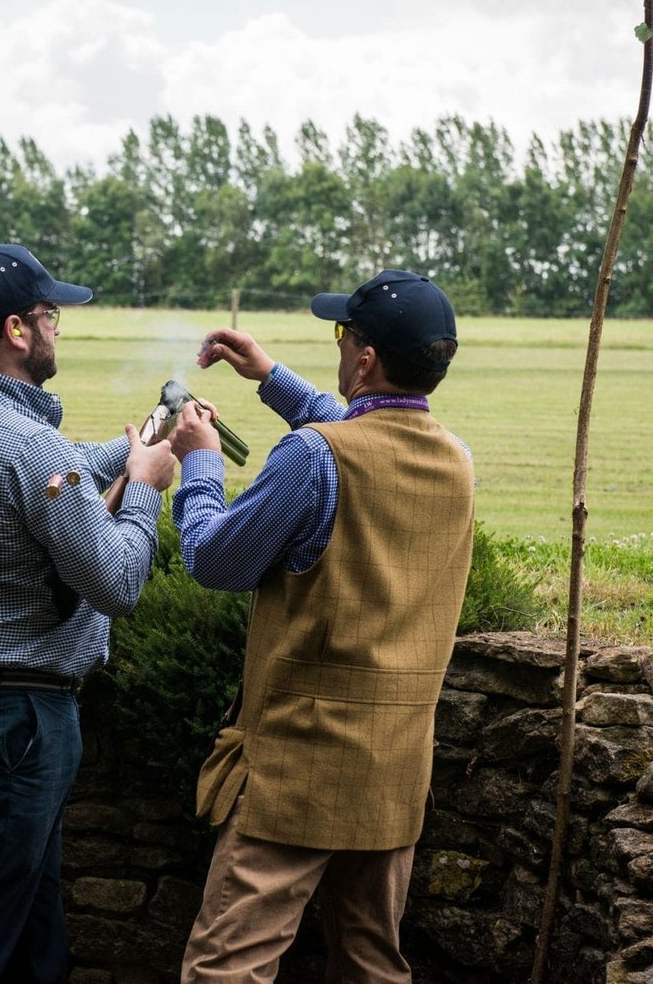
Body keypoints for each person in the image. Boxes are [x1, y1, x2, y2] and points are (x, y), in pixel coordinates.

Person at [168, 269, 476, 983]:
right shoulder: (456, 463)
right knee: (372, 964)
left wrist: (203, 467)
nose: (340, 348)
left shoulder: (314, 455)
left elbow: (215, 560)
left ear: (363, 358)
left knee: (227, 968)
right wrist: (270, 376)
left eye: (344, 336)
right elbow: (369, 432)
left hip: (298, 773)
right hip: (394, 773)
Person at [0, 243, 176, 983]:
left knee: (27, 930)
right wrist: (146, 486)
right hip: (15, 722)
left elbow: (55, 468)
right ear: (17, 330)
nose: (58, 327)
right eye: (51, 314)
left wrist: (132, 445)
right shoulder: (27, 448)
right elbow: (116, 582)